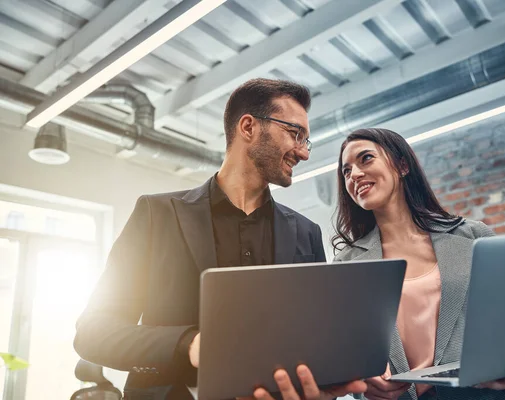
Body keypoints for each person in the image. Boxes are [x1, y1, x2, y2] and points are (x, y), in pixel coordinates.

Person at [74, 78, 365, 400]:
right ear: (248, 127)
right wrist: (191, 344)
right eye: (295, 134)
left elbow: (314, 335)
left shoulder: (307, 232)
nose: (303, 152)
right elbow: (93, 332)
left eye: (305, 141)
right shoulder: (157, 214)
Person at [332, 128, 505, 400]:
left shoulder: (473, 236)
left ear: (402, 165)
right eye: (346, 171)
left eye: (366, 159)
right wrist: (362, 382)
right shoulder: (346, 262)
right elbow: (351, 353)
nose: (355, 174)